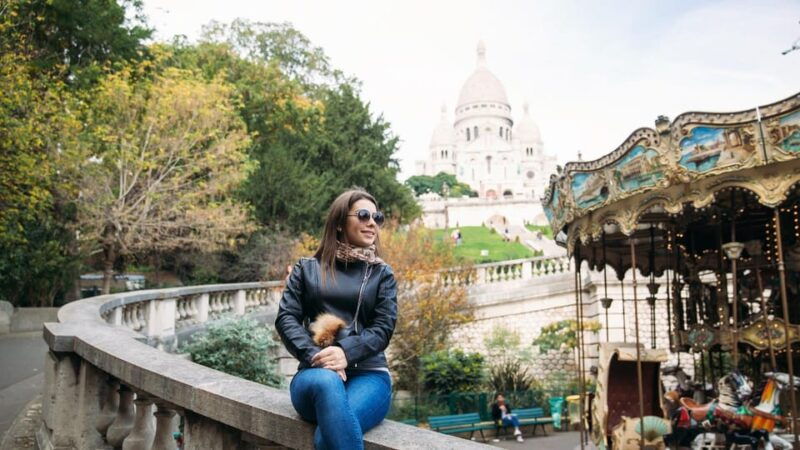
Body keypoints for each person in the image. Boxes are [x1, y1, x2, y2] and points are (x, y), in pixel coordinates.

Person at [275, 189, 398, 450]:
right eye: (363, 215)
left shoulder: (382, 274)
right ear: (340, 223)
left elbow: (383, 328)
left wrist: (345, 352)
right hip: (314, 374)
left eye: (377, 217)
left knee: (325, 437)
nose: (372, 222)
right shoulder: (306, 269)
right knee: (327, 380)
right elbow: (286, 318)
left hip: (369, 375)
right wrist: (317, 357)